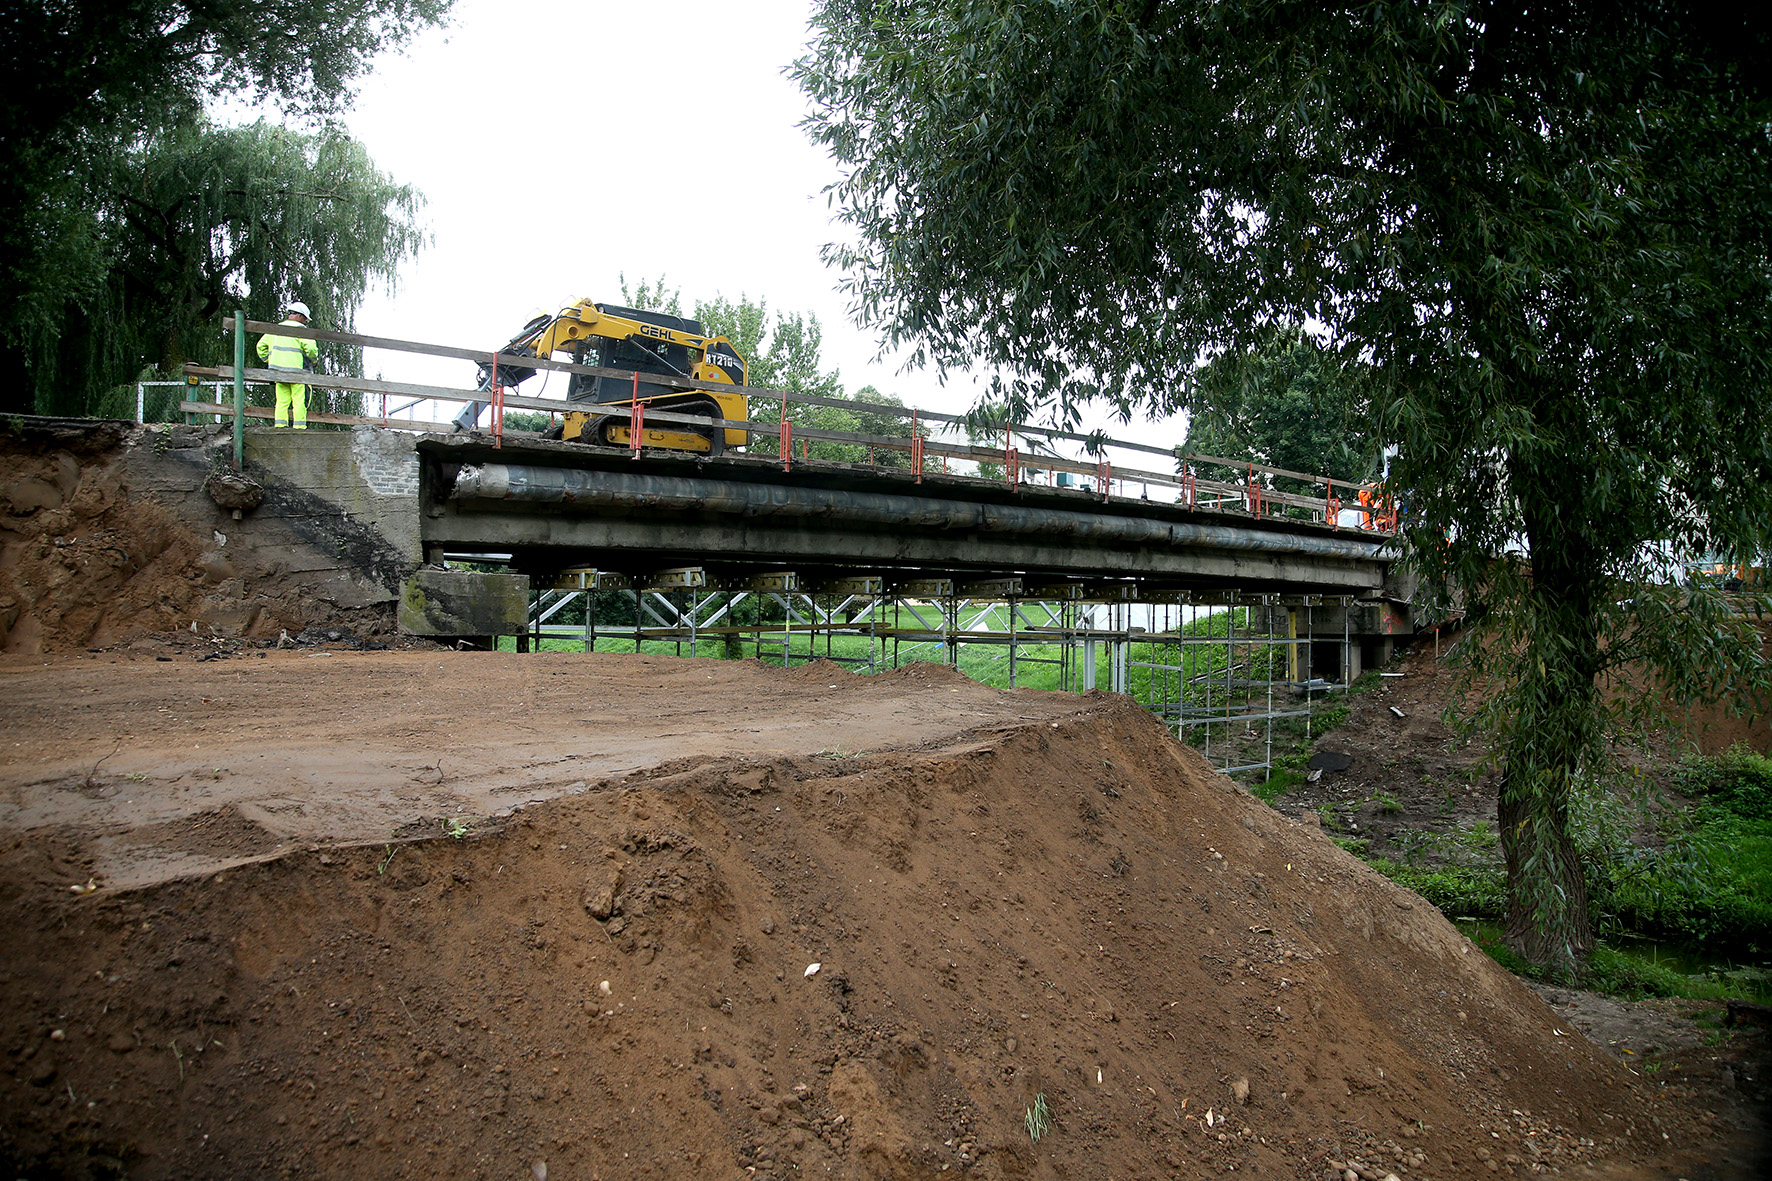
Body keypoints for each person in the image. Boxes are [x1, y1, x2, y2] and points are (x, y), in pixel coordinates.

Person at [257, 301, 321, 428]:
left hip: (278, 372)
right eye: (305, 319)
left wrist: (269, 360)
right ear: (300, 316)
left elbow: (260, 347)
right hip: (298, 373)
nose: (305, 322)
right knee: (299, 401)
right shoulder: (301, 330)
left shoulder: (275, 330)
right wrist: (314, 362)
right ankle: (299, 428)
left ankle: (280, 427)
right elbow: (311, 350)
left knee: (281, 401)